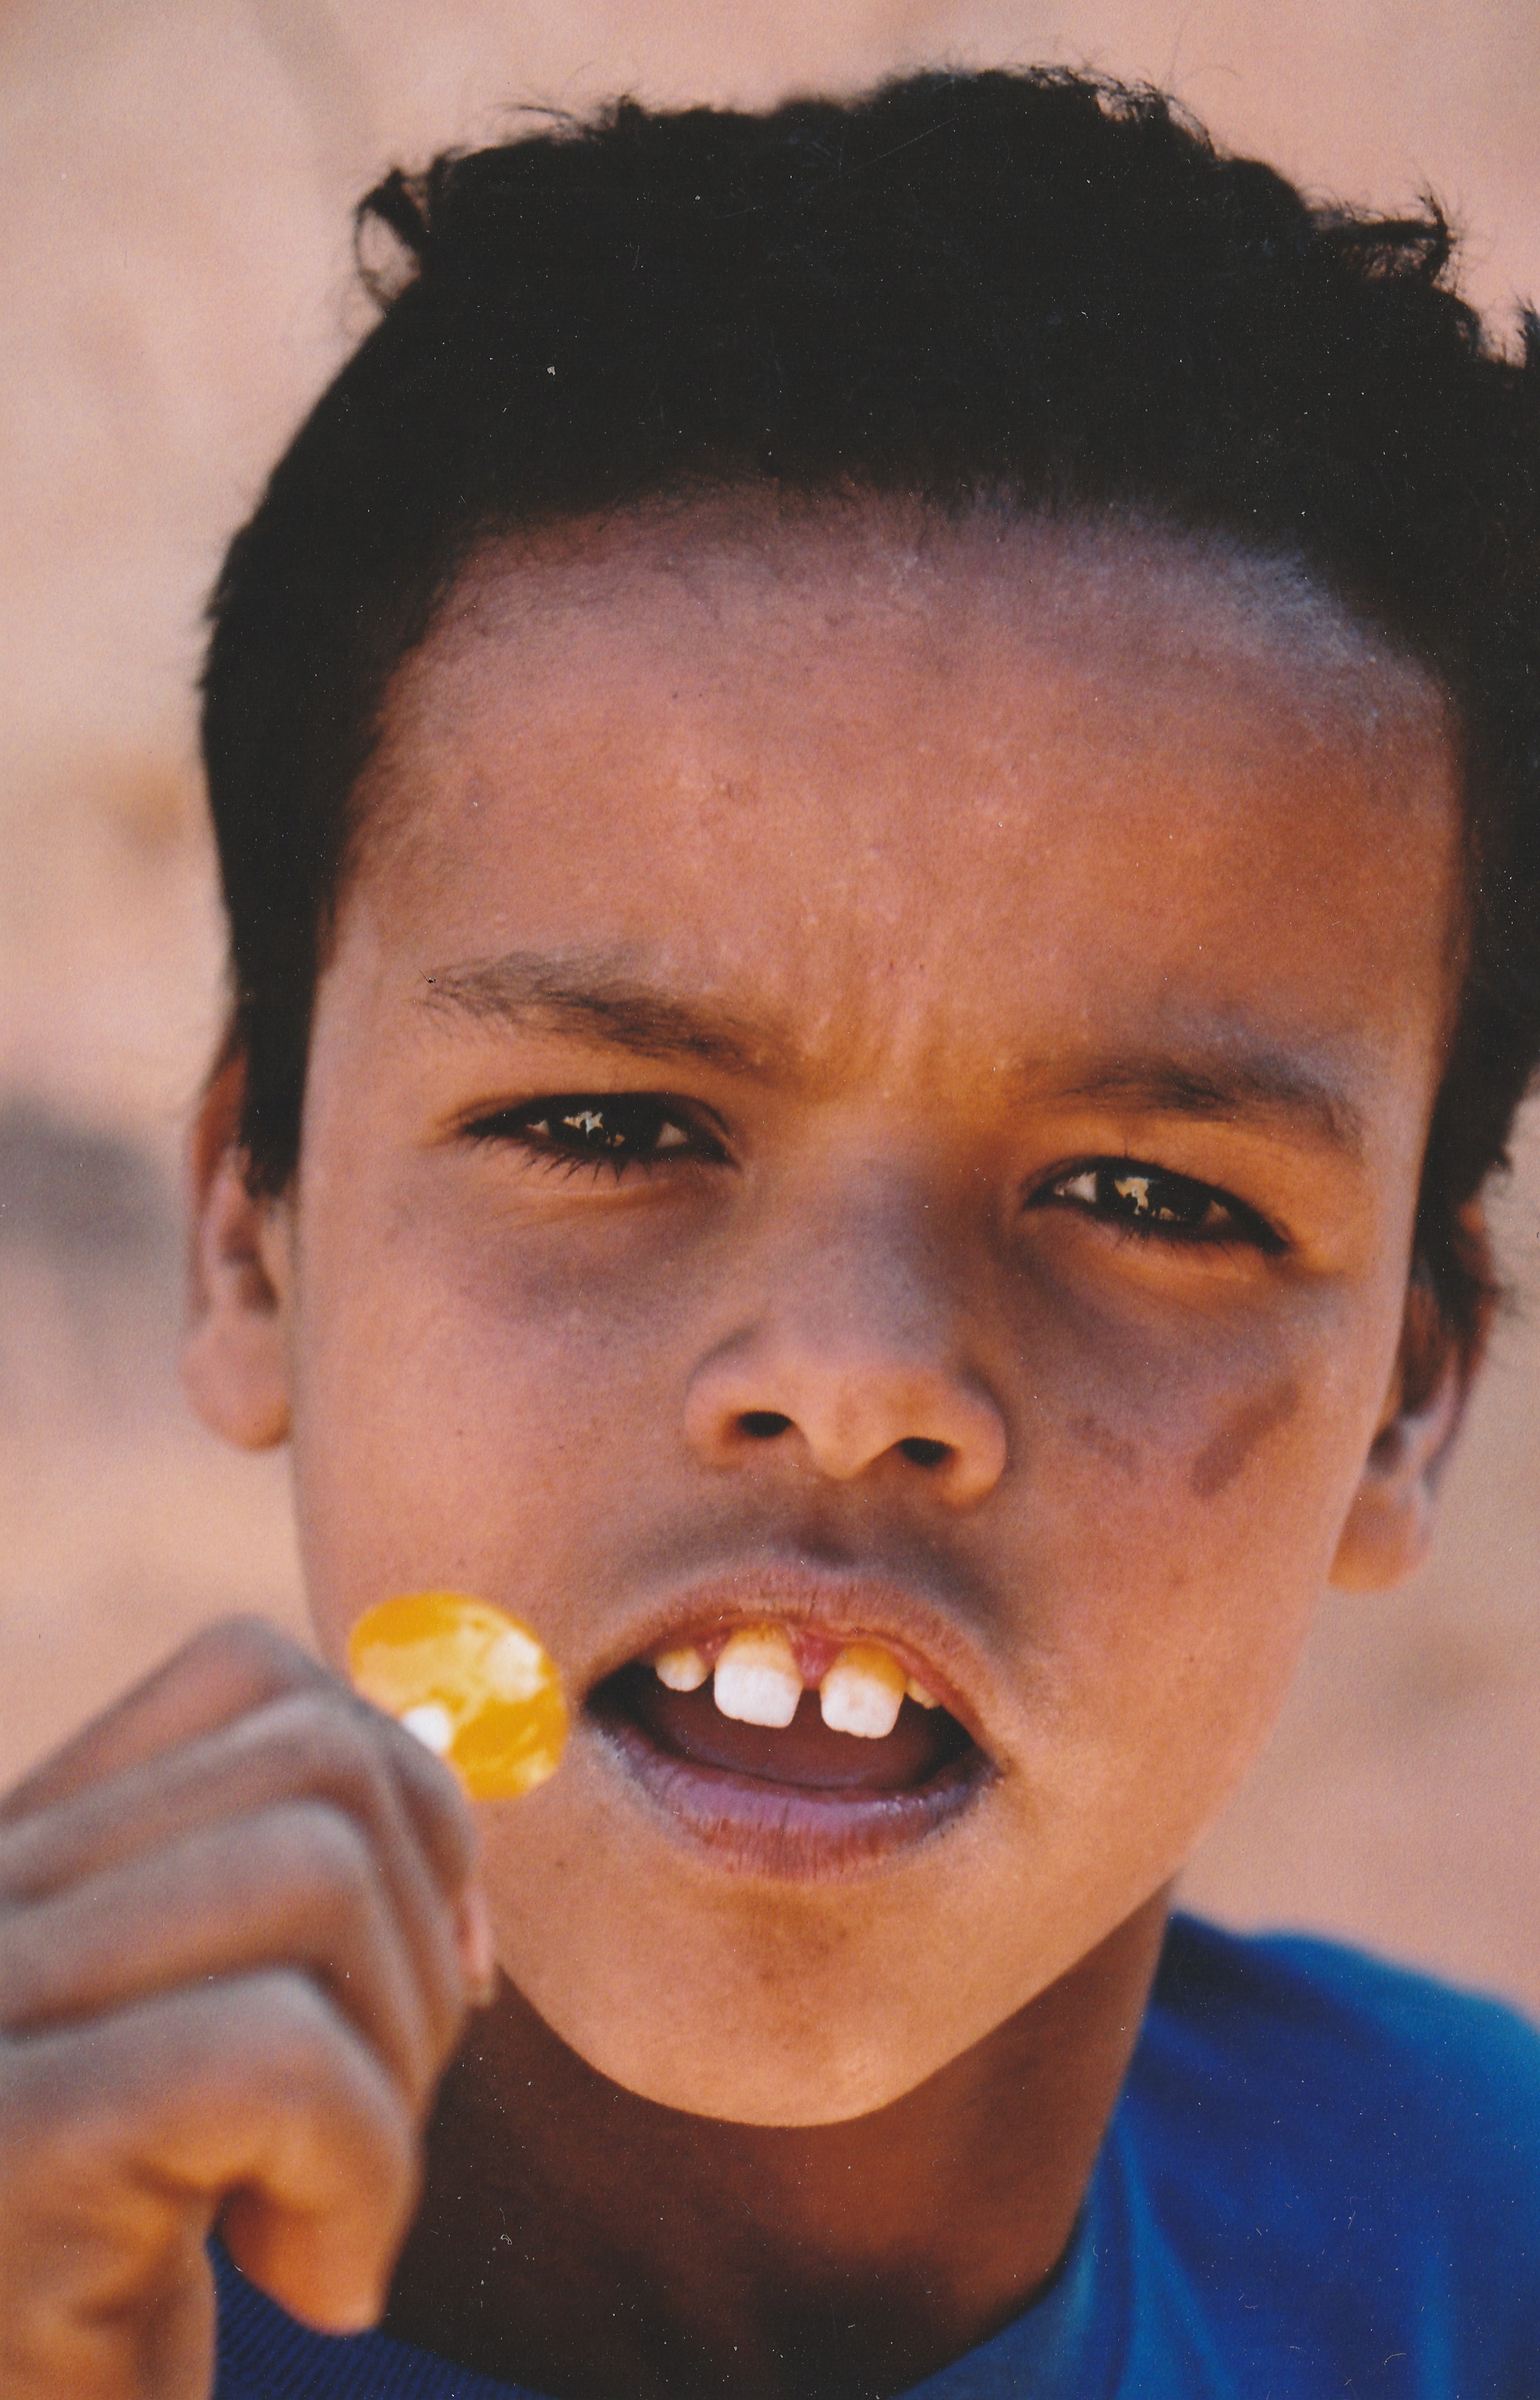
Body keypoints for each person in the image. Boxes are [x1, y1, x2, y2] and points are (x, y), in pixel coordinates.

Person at [3, 65, 1539, 2400]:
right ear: (254, 1233)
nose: (857, 1369)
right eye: (611, 1120)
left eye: (1154, 1195)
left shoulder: (1479, 2252)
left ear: (1408, 1405)